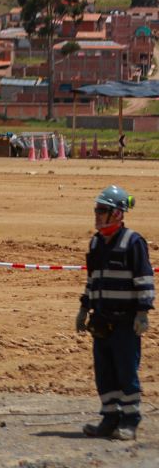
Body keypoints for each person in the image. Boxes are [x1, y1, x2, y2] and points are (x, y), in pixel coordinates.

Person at [77, 184, 152, 441]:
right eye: (96, 209)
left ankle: (130, 421)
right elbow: (92, 279)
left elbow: (144, 279)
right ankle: (109, 419)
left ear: (118, 214)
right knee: (104, 373)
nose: (97, 215)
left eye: (103, 210)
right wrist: (84, 307)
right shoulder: (96, 243)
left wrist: (143, 312)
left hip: (125, 323)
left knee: (125, 372)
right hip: (101, 321)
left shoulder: (133, 242)